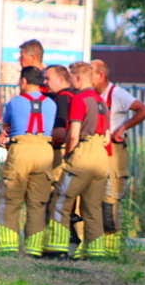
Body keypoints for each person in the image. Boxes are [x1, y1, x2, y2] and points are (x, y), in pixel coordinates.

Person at [43, 62, 110, 259]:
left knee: (60, 200)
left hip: (84, 153)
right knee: (93, 206)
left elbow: (73, 134)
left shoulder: (80, 99)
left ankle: (56, 247)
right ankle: (95, 252)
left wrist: (68, 155)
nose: (69, 82)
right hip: (101, 155)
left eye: (71, 77)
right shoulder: (101, 101)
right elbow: (106, 134)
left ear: (78, 78)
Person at [91, 60, 145, 257]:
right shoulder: (88, 95)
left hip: (113, 154)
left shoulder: (116, 94)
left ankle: (111, 251)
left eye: (89, 72)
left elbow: (144, 110)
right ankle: (93, 247)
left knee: (110, 201)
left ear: (100, 75)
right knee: (91, 199)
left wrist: (123, 127)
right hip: (93, 152)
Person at [0, 66, 57, 255]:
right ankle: (34, 249)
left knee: (10, 199)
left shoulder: (14, 102)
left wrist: (4, 137)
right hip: (45, 151)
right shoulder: (51, 104)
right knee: (37, 203)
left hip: (21, 149)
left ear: (23, 81)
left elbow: (7, 126)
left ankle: (8, 246)